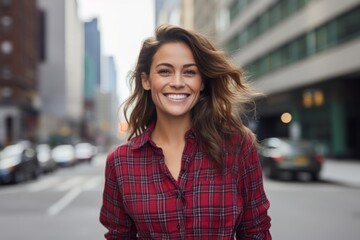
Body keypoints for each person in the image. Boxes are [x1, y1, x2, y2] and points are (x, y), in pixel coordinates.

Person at [100, 24, 271, 239]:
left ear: (201, 83)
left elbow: (256, 231)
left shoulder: (237, 146)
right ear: (146, 80)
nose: (178, 83)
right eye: (165, 71)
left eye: (189, 72)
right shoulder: (120, 162)